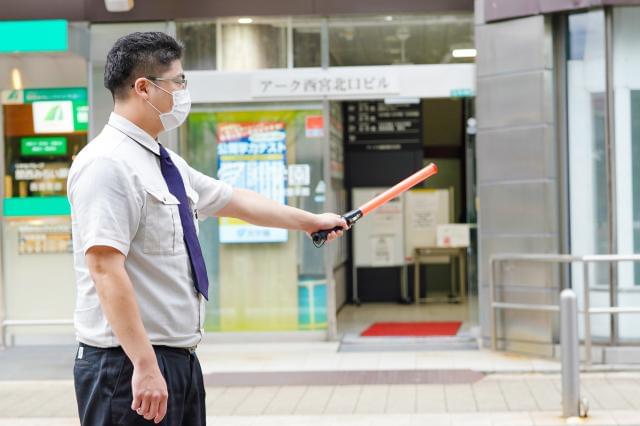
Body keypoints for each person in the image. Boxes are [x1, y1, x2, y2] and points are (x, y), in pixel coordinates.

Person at [68, 31, 346, 426]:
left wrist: (310, 222)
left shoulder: (165, 162)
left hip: (176, 360)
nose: (183, 91)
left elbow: (235, 200)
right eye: (178, 81)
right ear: (144, 88)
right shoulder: (107, 164)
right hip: (127, 364)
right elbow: (104, 269)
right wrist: (145, 365)